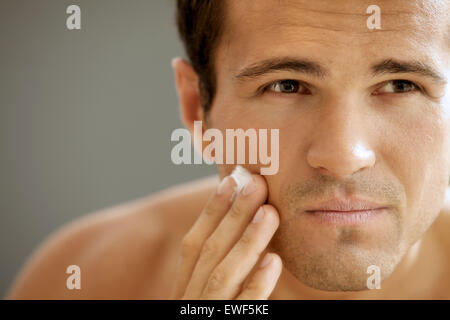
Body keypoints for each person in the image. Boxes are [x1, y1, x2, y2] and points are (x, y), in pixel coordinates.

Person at [6, 0, 450, 299]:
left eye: (401, 85)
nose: (344, 155)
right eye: (286, 85)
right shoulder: (86, 277)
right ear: (198, 107)